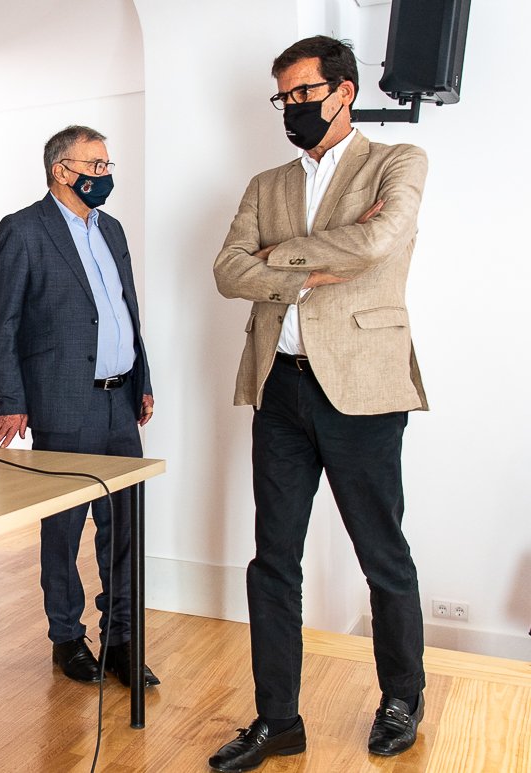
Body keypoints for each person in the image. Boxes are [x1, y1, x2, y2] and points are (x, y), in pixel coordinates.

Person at [209, 36, 428, 771]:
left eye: (304, 92)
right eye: (284, 96)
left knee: (382, 554)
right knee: (273, 560)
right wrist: (314, 264)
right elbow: (226, 271)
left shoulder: (396, 161)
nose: (292, 107)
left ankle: (401, 697)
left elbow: (378, 243)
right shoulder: (265, 184)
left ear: (344, 90)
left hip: (362, 386)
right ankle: (278, 720)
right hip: (279, 387)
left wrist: (277, 257)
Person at [0, 125, 159, 688]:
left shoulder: (111, 229)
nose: (104, 175)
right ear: (62, 171)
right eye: (95, 165)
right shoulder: (24, 229)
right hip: (63, 401)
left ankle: (122, 640)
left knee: (124, 525)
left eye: (107, 165)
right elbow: (4, 322)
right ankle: (66, 638)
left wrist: (142, 379)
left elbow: (126, 310)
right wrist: (12, 399)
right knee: (63, 528)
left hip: (120, 401)